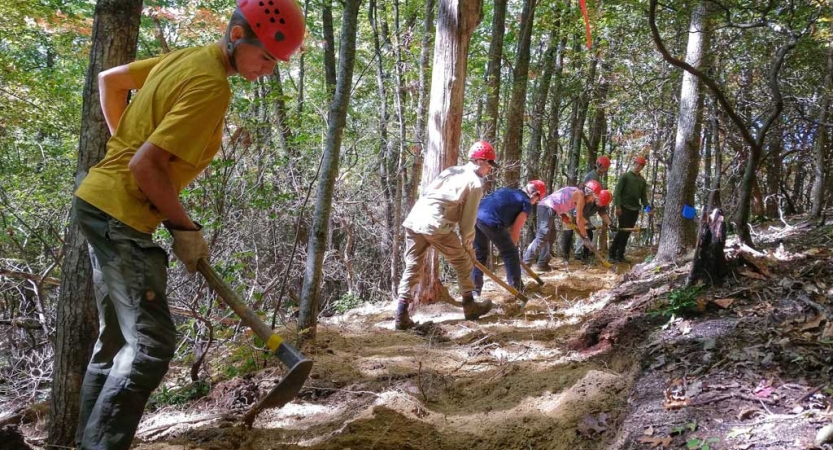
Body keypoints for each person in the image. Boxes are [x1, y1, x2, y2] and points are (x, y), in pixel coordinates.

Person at [72, 1, 305, 448]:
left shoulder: (187, 57)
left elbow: (111, 82)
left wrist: (127, 145)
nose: (270, 71)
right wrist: (184, 229)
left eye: (278, 63)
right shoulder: (210, 84)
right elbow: (145, 167)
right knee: (149, 348)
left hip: (101, 204)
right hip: (119, 213)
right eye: (266, 58)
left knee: (119, 340)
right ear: (238, 38)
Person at [394, 141, 499, 330]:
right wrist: (469, 249)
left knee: (412, 266)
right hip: (435, 224)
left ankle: (401, 314)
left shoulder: (452, 171)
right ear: (480, 161)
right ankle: (470, 305)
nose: (490, 170)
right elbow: (467, 224)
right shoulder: (475, 183)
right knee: (464, 262)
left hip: (415, 218)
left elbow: (428, 192)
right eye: (490, 165)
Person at [472, 180, 546, 296]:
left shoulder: (506, 190)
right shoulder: (525, 202)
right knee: (511, 253)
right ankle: (517, 290)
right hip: (491, 221)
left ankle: (475, 291)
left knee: (479, 255)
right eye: (538, 199)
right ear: (534, 194)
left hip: (475, 217)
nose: (536, 202)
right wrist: (512, 248)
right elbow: (516, 229)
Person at [523, 181, 599, 271]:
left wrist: (563, 215)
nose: (592, 200)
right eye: (592, 197)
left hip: (548, 207)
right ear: (589, 192)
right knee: (542, 236)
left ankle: (542, 264)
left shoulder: (576, 191)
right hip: (547, 207)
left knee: (550, 237)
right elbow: (579, 220)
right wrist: (585, 237)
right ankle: (525, 265)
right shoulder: (580, 196)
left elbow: (559, 199)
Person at [609, 155, 652, 262]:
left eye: (640, 165)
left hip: (635, 209)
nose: (638, 166)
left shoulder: (642, 180)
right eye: (636, 164)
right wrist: (618, 206)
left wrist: (647, 207)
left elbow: (643, 196)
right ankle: (612, 254)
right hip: (624, 208)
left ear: (642, 167)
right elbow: (617, 193)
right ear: (634, 164)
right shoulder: (625, 177)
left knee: (627, 233)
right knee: (622, 231)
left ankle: (620, 256)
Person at [569, 189, 613, 262]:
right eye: (601, 203)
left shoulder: (600, 204)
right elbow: (578, 214)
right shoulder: (588, 200)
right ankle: (573, 255)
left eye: (603, 204)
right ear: (598, 198)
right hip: (573, 215)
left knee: (589, 234)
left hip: (584, 218)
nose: (601, 205)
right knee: (571, 233)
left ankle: (585, 256)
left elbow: (602, 213)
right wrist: (588, 224)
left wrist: (610, 224)